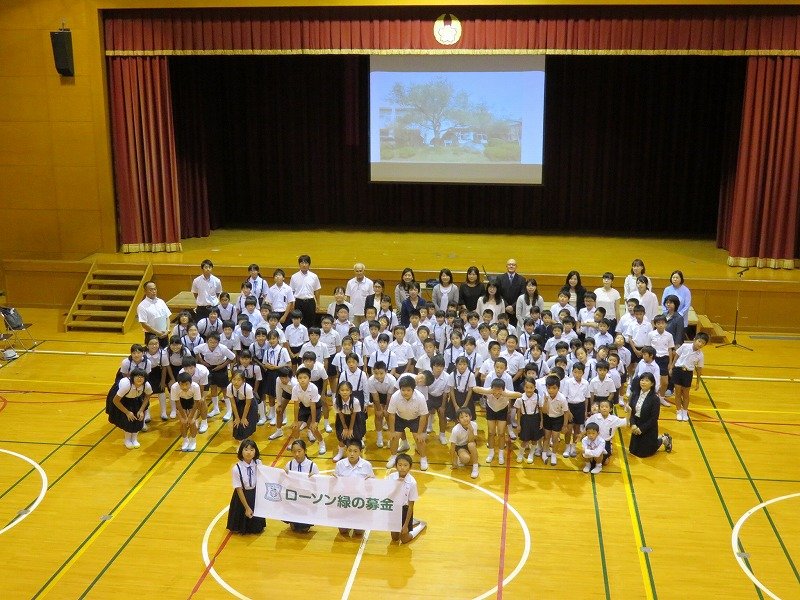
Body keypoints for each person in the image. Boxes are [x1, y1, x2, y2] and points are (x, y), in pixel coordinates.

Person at [386, 374, 431, 470]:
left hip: (415, 418)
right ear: (400, 389)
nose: (405, 392)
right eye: (403, 390)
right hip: (400, 417)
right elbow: (392, 414)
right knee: (394, 437)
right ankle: (393, 456)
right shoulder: (395, 396)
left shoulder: (420, 397)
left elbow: (424, 416)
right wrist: (391, 431)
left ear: (413, 389)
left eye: (408, 390)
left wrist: (420, 433)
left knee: (419, 439)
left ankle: (423, 458)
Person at [473, 378, 522, 465]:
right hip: (491, 410)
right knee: (491, 432)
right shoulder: (489, 391)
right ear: (492, 388)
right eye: (494, 389)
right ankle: (491, 453)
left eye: (499, 389)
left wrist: (504, 393)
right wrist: (489, 392)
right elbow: (475, 389)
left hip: (502, 411)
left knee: (501, 433)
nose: (496, 392)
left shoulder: (506, 392)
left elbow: (519, 395)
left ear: (503, 389)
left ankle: (501, 454)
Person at [334, 439, 374, 537]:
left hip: (359, 501)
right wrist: (333, 479)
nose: (352, 454)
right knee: (342, 531)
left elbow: (372, 486)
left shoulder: (367, 465)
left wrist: (372, 480)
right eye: (350, 450)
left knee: (359, 532)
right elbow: (335, 485)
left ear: (360, 452)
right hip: (345, 500)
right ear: (346, 451)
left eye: (355, 451)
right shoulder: (340, 464)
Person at [627, 372, 673, 457]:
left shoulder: (655, 399)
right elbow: (632, 412)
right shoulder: (635, 394)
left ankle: (663, 439)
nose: (643, 382)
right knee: (633, 451)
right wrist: (633, 424)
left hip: (648, 427)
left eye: (647, 380)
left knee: (644, 454)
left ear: (652, 384)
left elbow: (654, 418)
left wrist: (641, 429)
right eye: (642, 380)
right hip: (636, 424)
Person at [226, 439, 266, 534]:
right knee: (240, 527)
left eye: (252, 450)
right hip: (242, 497)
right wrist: (247, 507)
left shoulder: (258, 463)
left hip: (255, 495)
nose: (249, 452)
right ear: (241, 451)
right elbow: (239, 490)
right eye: (246, 449)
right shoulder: (236, 469)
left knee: (257, 529)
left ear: (255, 451)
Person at [107, 368, 152, 449]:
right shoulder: (126, 386)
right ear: (132, 378)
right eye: (137, 376)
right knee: (128, 420)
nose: (139, 379)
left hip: (136, 397)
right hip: (122, 399)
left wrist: (141, 410)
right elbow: (116, 400)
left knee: (139, 418)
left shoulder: (147, 385)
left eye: (142, 377)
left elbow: (148, 396)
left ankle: (134, 439)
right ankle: (127, 440)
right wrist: (127, 412)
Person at [388, 453, 427, 543]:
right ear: (396, 466)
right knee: (395, 538)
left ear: (410, 467)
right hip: (393, 509)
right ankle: (413, 521)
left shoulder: (412, 482)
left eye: (405, 465)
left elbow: (410, 506)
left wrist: (405, 525)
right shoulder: (390, 478)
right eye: (400, 465)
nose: (402, 467)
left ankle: (420, 525)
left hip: (405, 510)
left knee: (404, 539)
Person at [670, 332, 708, 421]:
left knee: (686, 394)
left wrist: (698, 382)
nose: (700, 344)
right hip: (678, 371)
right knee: (678, 393)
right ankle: (679, 411)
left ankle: (684, 411)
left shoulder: (700, 355)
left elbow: (699, 370)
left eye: (703, 343)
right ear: (694, 339)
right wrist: (672, 367)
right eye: (699, 341)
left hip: (688, 373)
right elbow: (676, 356)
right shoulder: (685, 346)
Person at [284, 439, 319, 532]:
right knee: (294, 528)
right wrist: (284, 475)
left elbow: (319, 484)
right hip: (294, 496)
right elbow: (284, 482)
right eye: (294, 452)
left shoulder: (312, 465)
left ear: (305, 451)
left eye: (299, 451)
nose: (297, 454)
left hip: (306, 498)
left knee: (304, 529)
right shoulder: (289, 464)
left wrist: (314, 478)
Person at [290, 367, 327, 455]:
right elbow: (295, 405)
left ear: (309, 379)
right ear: (297, 379)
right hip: (304, 406)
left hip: (316, 406)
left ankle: (322, 443)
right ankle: (297, 443)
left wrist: (313, 422)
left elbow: (313, 406)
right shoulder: (295, 388)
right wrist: (295, 420)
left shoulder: (313, 388)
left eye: (305, 378)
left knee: (313, 428)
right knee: (295, 427)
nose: (302, 380)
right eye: (300, 378)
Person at [586, 398, 629, 472]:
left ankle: (600, 464)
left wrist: (629, 411)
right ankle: (588, 464)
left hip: (606, 442)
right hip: (594, 440)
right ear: (599, 409)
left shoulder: (614, 419)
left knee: (604, 462)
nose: (604, 408)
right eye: (602, 407)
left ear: (611, 409)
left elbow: (626, 422)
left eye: (606, 407)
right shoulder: (594, 417)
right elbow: (587, 427)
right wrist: (582, 436)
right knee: (587, 454)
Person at [331, 381, 365, 461]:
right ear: (338, 391)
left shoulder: (355, 401)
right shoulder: (336, 401)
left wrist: (350, 429)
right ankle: (340, 453)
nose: (344, 392)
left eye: (347, 390)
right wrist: (345, 427)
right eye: (342, 390)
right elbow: (340, 414)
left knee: (354, 436)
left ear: (351, 391)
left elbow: (354, 415)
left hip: (355, 419)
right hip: (342, 419)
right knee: (342, 436)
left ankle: (357, 451)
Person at [514, 377, 544, 464]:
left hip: (535, 419)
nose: (529, 390)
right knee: (525, 439)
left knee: (534, 439)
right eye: (527, 387)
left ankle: (531, 454)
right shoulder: (520, 398)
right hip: (525, 419)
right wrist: (518, 424)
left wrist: (541, 421)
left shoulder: (538, 397)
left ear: (535, 387)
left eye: (531, 387)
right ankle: (520, 453)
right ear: (524, 388)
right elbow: (518, 412)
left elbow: (541, 410)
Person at [170, 372, 201, 451]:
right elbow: (177, 403)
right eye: (182, 385)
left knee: (192, 422)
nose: (184, 387)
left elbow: (197, 402)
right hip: (181, 402)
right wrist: (184, 416)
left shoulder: (196, 387)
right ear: (178, 383)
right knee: (183, 422)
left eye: (186, 384)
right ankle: (185, 440)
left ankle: (193, 441)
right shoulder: (174, 387)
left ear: (191, 383)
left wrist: (190, 416)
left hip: (192, 401)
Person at [289, 254, 321, 328]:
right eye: (302, 263)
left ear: (309, 264)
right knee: (298, 323)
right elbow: (292, 292)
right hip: (298, 302)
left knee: (310, 323)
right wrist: (292, 305)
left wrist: (318, 304)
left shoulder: (314, 276)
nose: (304, 265)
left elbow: (317, 290)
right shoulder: (294, 277)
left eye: (306, 263)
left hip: (310, 302)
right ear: (299, 264)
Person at [137, 281, 171, 348]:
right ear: (145, 291)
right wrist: (157, 333)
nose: (154, 291)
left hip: (164, 334)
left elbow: (167, 317)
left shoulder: (161, 302)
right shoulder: (142, 306)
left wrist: (167, 330)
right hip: (151, 336)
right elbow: (144, 324)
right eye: (151, 290)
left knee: (165, 354)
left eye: (155, 289)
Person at [228, 371, 257, 441]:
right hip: (237, 403)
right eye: (234, 379)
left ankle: (246, 442)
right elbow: (233, 403)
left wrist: (243, 418)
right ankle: (240, 442)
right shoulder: (229, 387)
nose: (236, 382)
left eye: (239, 380)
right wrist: (237, 418)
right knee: (237, 424)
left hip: (249, 405)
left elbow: (248, 404)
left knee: (245, 424)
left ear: (243, 381)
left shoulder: (248, 389)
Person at [495, 258, 526, 326]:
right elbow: (498, 293)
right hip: (503, 308)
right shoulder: (500, 278)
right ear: (506, 266)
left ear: (516, 267)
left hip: (516, 310)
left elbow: (522, 294)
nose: (511, 266)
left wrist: (512, 306)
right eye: (509, 264)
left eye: (513, 265)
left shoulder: (522, 279)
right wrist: (506, 306)